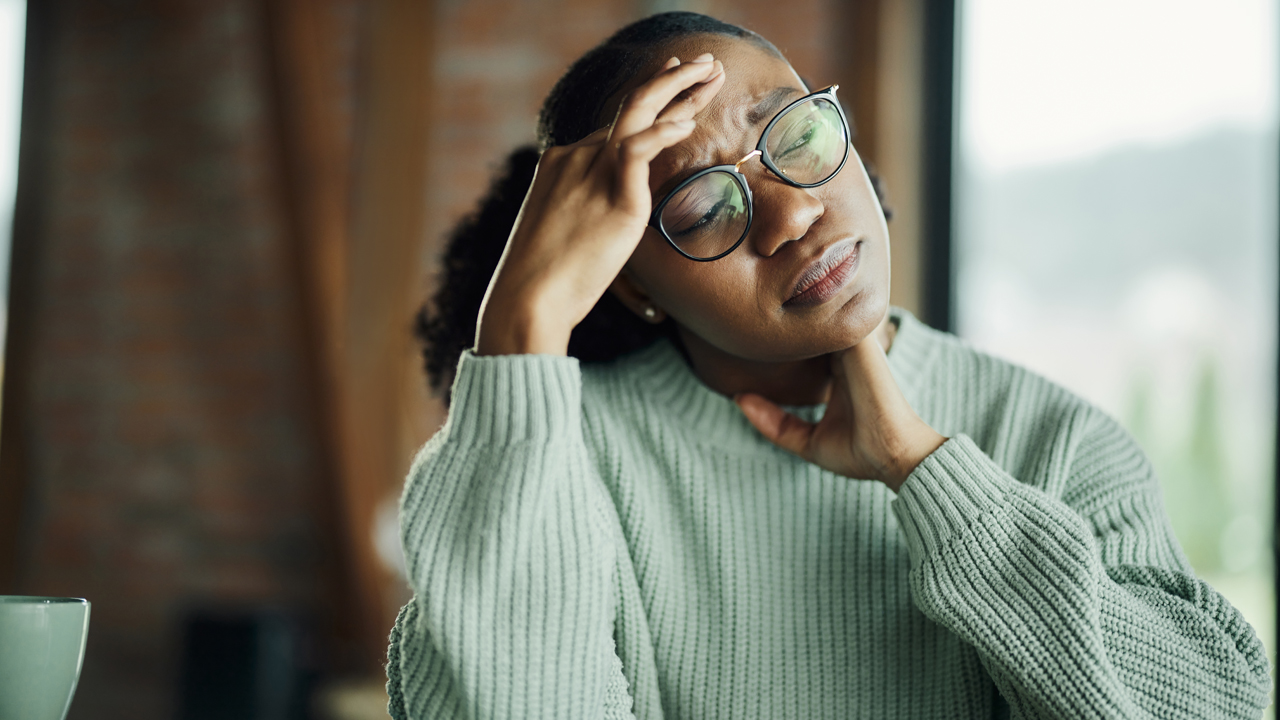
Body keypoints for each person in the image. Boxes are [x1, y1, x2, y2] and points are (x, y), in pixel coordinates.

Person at [386, 11, 1271, 719]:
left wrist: (929, 474)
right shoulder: (551, 467)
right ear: (634, 285)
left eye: (797, 137)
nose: (792, 215)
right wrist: (523, 323)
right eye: (702, 211)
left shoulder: (1054, 440)